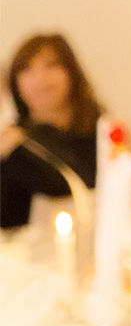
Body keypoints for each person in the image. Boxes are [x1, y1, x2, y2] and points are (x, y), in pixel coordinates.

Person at [1, 32, 103, 231]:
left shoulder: (102, 131)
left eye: (51, 65)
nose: (40, 78)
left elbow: (77, 181)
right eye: (27, 69)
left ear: (71, 72)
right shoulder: (11, 139)